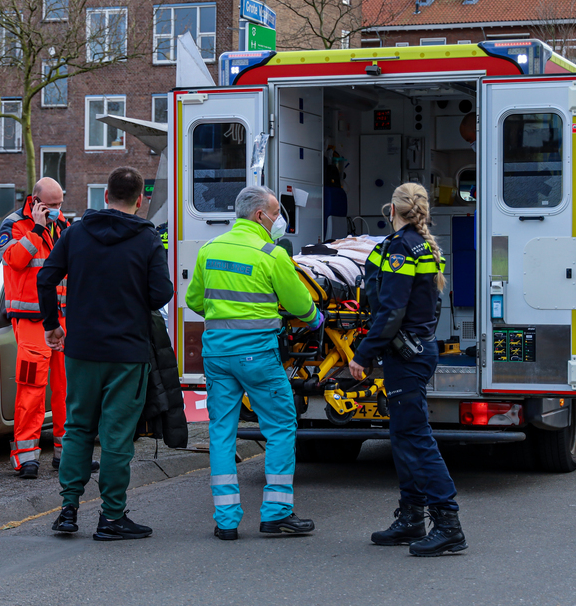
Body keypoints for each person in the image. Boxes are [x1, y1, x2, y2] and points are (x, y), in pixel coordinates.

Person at [38, 167, 173, 541]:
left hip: (80, 349)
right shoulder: (147, 239)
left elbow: (45, 277)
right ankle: (112, 517)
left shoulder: (76, 232)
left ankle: (67, 510)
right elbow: (162, 294)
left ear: (105, 196)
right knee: (116, 437)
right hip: (127, 352)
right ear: (140, 200)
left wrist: (53, 324)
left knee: (78, 427)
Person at [186, 186, 321, 541]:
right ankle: (276, 513)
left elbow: (195, 300)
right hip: (258, 356)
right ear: (260, 215)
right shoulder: (271, 254)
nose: (279, 221)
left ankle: (226, 520)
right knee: (280, 426)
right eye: (276, 213)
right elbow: (300, 306)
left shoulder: (209, 250)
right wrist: (316, 320)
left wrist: (225, 316)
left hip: (217, 355)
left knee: (221, 433)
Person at [349, 182, 467, 557]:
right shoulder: (424, 246)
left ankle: (448, 522)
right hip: (418, 349)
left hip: (407, 355)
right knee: (403, 438)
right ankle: (413, 516)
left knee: (416, 439)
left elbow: (391, 310)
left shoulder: (400, 248)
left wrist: (362, 354)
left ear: (392, 211)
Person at [0, 178, 70, 479]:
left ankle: (68, 452)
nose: (56, 210)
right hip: (30, 321)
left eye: (59, 205)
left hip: (63, 318)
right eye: (51, 205)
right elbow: (14, 260)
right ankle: (26, 456)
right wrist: (38, 229)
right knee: (32, 387)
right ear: (36, 201)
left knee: (68, 388)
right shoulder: (14, 224)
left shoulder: (64, 224)